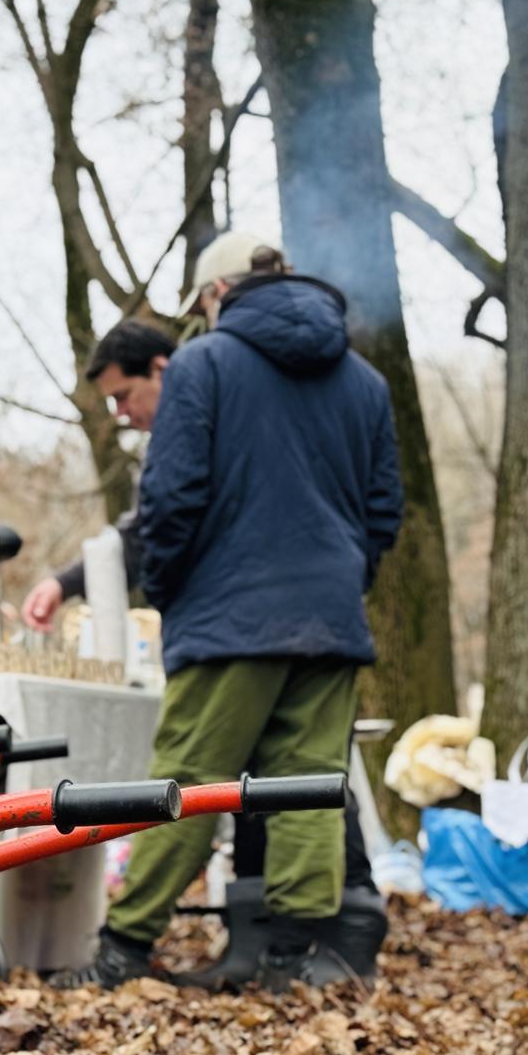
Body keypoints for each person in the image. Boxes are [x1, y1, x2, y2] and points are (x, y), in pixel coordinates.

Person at [56, 229, 403, 991]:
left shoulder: (204, 365)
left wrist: (175, 590)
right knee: (307, 784)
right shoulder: (366, 383)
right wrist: (345, 575)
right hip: (330, 617)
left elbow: (171, 498)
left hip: (229, 616)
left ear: (217, 295)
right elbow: (383, 512)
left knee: (186, 780)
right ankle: (291, 955)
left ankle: (122, 949)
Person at [19, 318, 175, 633]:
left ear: (159, 369)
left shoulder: (211, 425)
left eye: (123, 395)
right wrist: (62, 584)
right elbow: (140, 540)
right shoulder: (166, 444)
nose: (119, 412)